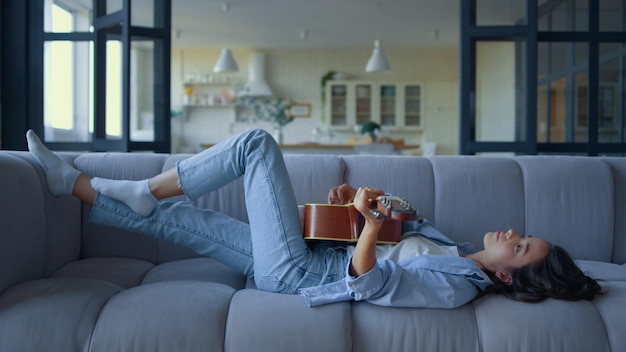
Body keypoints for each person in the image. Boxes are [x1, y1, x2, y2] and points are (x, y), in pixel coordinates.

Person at [25, 128, 602, 308]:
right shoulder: (450, 248)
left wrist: (369, 229)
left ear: (506, 276)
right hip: (301, 258)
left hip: (302, 276)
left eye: (520, 247)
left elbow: (370, 283)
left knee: (255, 145)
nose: (512, 234)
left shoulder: (457, 288)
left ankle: (145, 186)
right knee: (178, 221)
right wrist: (355, 206)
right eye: (523, 236)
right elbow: (374, 238)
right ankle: (72, 183)